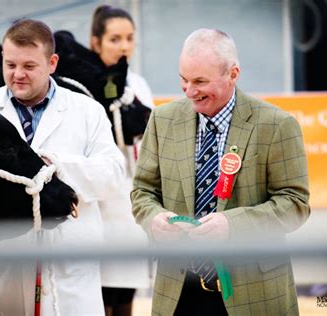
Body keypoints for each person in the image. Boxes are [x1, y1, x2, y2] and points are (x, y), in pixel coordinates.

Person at [0, 19, 125, 315]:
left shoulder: (87, 111)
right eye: (10, 64)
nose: (17, 75)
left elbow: (113, 175)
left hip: (67, 268)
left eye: (29, 66)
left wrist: (54, 167)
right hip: (1, 262)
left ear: (52, 63)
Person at [131, 28, 310, 315]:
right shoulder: (162, 120)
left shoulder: (277, 125)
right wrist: (154, 220)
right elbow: (142, 192)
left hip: (255, 293)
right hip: (177, 292)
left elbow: (295, 205)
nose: (190, 91)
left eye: (200, 81)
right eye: (183, 80)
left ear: (233, 74)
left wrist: (233, 226)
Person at [89, 5, 154, 316]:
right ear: (95, 42)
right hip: (97, 204)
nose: (124, 46)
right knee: (98, 296)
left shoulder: (139, 84)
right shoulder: (83, 87)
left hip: (130, 202)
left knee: (127, 291)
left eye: (129, 38)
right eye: (114, 39)